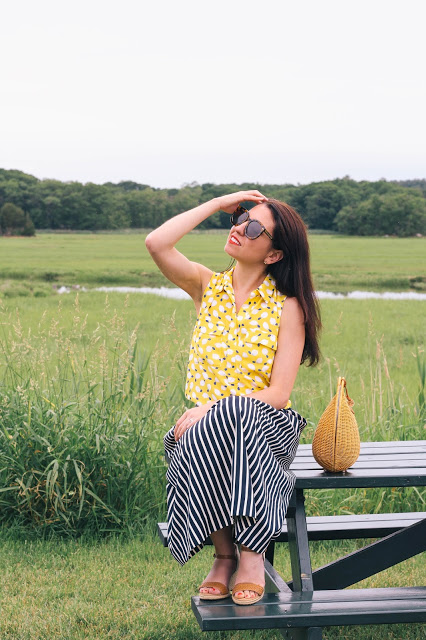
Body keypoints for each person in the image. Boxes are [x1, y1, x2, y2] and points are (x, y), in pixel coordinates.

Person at [145, 190, 321, 605]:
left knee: (232, 414)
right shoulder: (208, 287)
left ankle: (251, 555)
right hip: (207, 430)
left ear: (274, 255)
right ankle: (226, 555)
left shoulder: (288, 307)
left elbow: (278, 393)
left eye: (254, 226)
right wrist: (218, 203)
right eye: (241, 218)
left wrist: (211, 406)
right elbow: (157, 242)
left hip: (267, 427)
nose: (240, 227)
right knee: (194, 433)